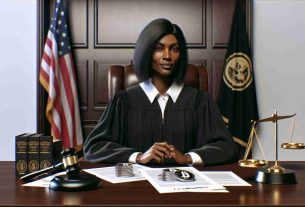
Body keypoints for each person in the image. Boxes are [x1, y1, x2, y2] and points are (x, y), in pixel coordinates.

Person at [83, 18, 237, 166]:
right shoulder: (124, 101)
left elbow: (227, 147)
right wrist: (139, 157)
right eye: (158, 48)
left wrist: (188, 158)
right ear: (146, 53)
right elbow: (94, 147)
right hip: (138, 187)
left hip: (187, 186)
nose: (167, 56)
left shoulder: (200, 101)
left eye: (174, 49)